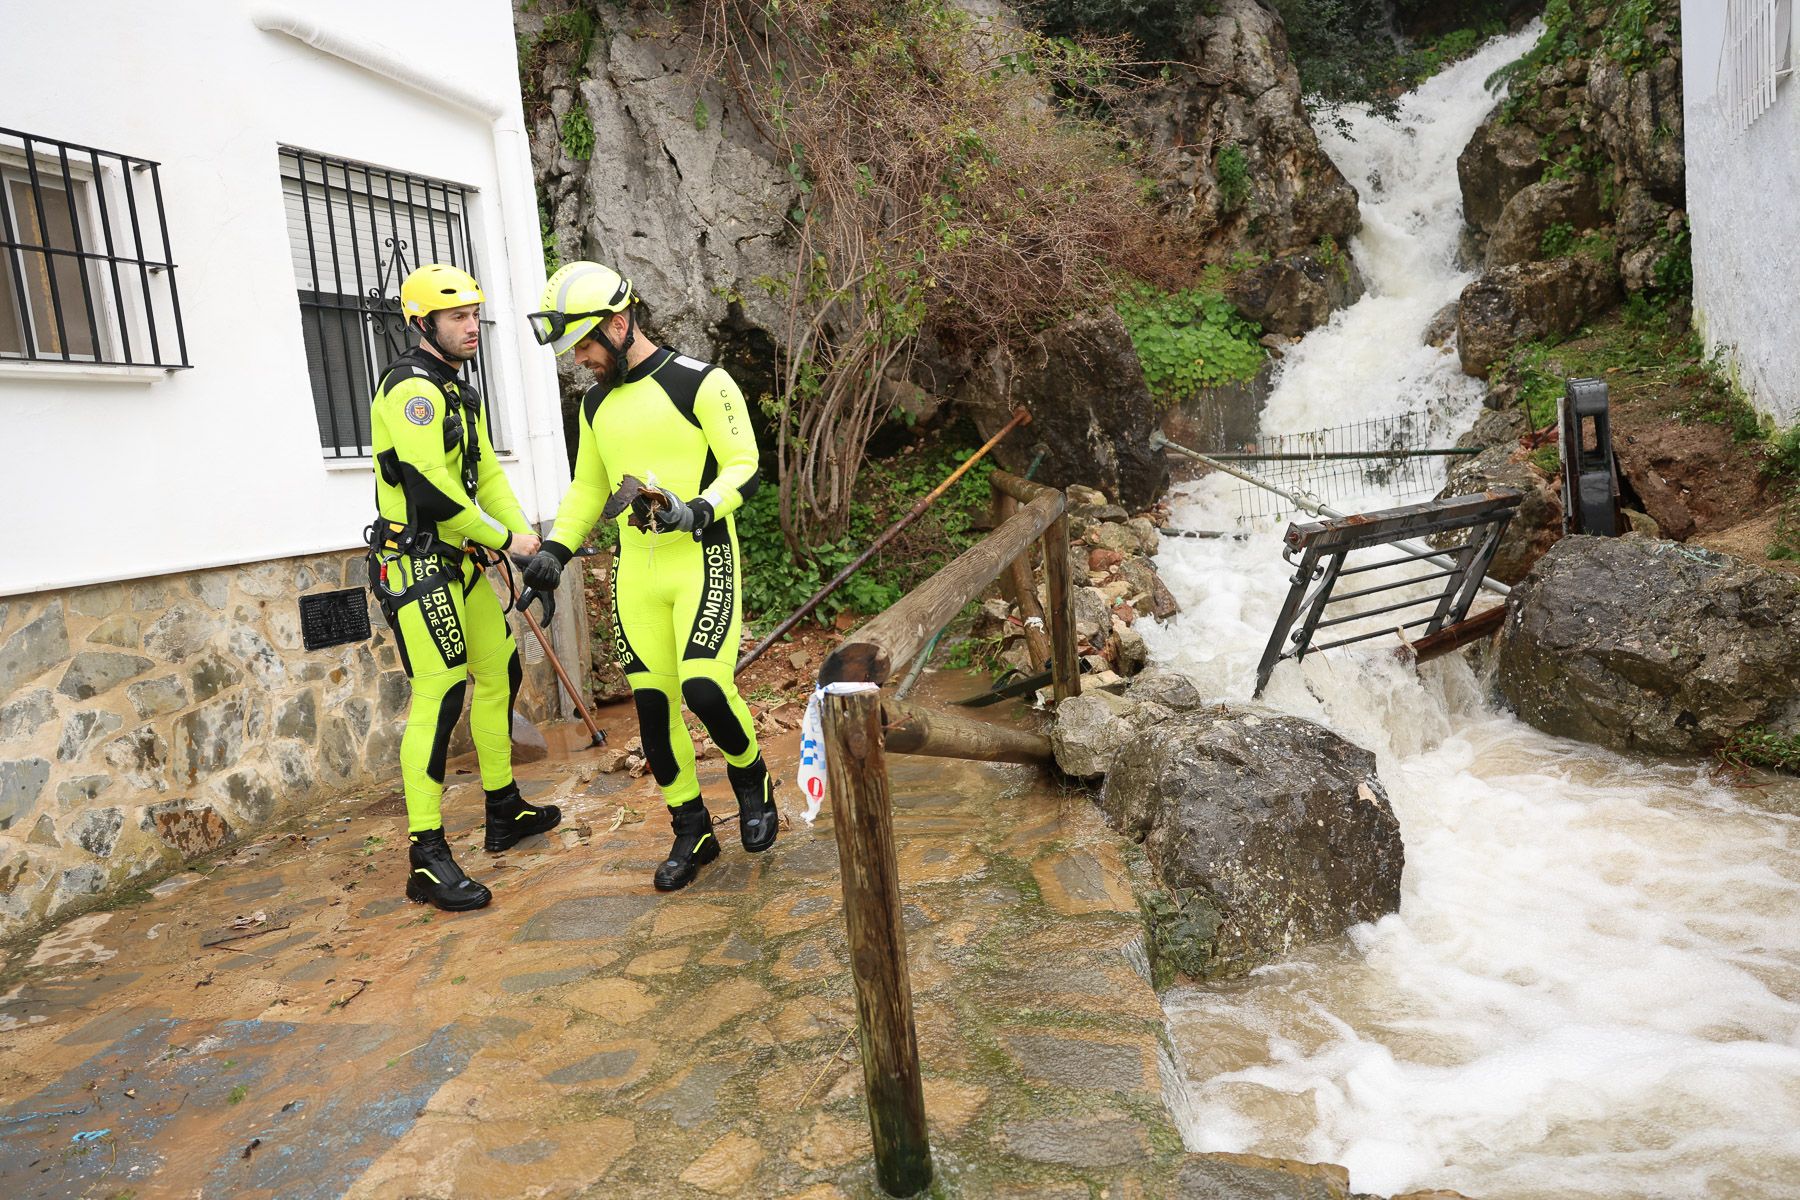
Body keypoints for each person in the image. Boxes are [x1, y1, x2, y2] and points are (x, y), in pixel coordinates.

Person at [521, 260, 779, 891]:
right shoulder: (593, 405)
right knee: (655, 708)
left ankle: (753, 781)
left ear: (617, 321)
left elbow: (746, 466)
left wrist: (699, 508)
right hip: (636, 570)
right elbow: (588, 489)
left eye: (583, 343)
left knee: (705, 689)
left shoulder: (703, 382)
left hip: (703, 559)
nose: (578, 358)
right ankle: (691, 829)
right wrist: (555, 552)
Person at [365, 263, 561, 911]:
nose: (471, 326)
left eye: (475, 314)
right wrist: (507, 544)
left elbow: (488, 481)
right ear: (423, 324)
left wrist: (525, 538)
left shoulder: (456, 389)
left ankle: (503, 809)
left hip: (461, 561)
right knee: (440, 695)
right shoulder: (410, 389)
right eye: (457, 317)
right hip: (415, 564)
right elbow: (429, 488)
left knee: (499, 671)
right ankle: (426, 858)